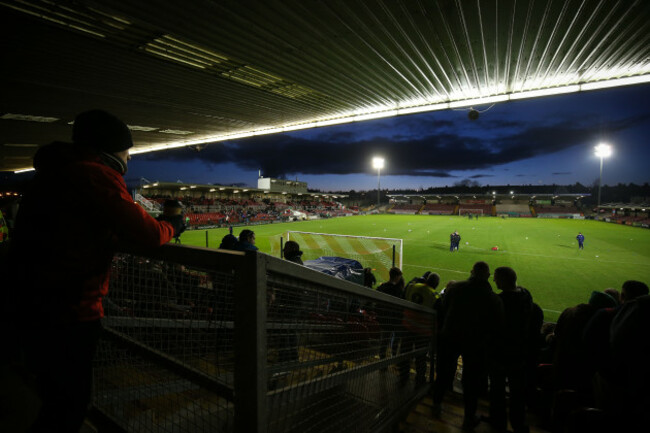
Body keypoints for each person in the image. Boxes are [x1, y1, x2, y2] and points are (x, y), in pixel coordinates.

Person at [6, 109, 180, 433]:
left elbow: (78, 226)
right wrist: (173, 223)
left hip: (33, 300)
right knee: (68, 405)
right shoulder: (92, 174)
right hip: (68, 307)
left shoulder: (56, 172)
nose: (129, 157)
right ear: (112, 148)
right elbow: (150, 234)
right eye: (127, 150)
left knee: (55, 397)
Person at [432, 261, 505, 430]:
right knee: (471, 382)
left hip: (450, 337)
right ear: (487, 276)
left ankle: (436, 404)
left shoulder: (455, 288)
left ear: (472, 272)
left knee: (443, 373)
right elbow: (497, 325)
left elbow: (443, 308)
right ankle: (468, 417)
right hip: (475, 344)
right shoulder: (493, 298)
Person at [487, 267, 540, 433]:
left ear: (503, 280)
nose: (494, 281)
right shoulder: (526, 296)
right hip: (521, 354)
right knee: (517, 392)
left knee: (497, 391)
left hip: (501, 354)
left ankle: (498, 424)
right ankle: (519, 425)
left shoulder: (499, 301)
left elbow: (492, 328)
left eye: (496, 278)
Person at [400, 272, 441, 384]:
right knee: (421, 357)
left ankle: (403, 377)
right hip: (423, 333)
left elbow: (404, 294)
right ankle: (420, 380)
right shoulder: (435, 296)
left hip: (407, 327)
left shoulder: (412, 287)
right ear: (436, 284)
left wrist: (419, 278)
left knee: (404, 353)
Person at [376, 267, 404, 359]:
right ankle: (393, 356)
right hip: (395, 319)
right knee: (395, 338)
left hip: (384, 318)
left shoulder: (382, 287)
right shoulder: (398, 290)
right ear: (397, 277)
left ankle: (382, 360)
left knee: (384, 340)